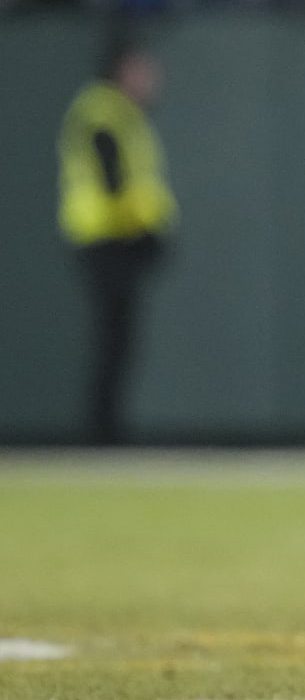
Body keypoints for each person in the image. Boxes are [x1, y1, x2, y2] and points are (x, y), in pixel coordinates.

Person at [58, 29, 177, 445]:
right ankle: (102, 434)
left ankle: (108, 429)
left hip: (119, 242)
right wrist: (145, 227)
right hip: (106, 241)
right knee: (113, 340)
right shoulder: (102, 113)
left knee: (121, 340)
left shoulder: (124, 114)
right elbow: (116, 184)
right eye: (141, 68)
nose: (149, 77)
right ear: (122, 69)